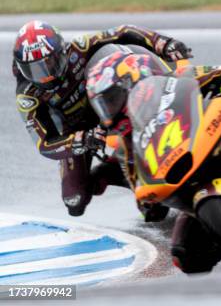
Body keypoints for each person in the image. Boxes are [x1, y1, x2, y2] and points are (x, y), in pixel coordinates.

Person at [85, 47, 221, 273]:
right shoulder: (128, 143)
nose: (109, 112)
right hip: (198, 186)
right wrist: (148, 199)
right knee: (185, 257)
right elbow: (147, 205)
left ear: (130, 84)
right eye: (103, 106)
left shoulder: (177, 81)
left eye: (111, 100)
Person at [13, 20, 193, 217]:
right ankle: (110, 170)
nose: (46, 77)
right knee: (74, 200)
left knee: (154, 211)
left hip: (108, 104)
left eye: (50, 64)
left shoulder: (80, 47)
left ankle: (147, 155)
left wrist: (162, 43)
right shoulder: (27, 95)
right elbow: (44, 144)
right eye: (35, 70)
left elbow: (123, 31)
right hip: (76, 132)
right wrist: (79, 141)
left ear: (62, 52)